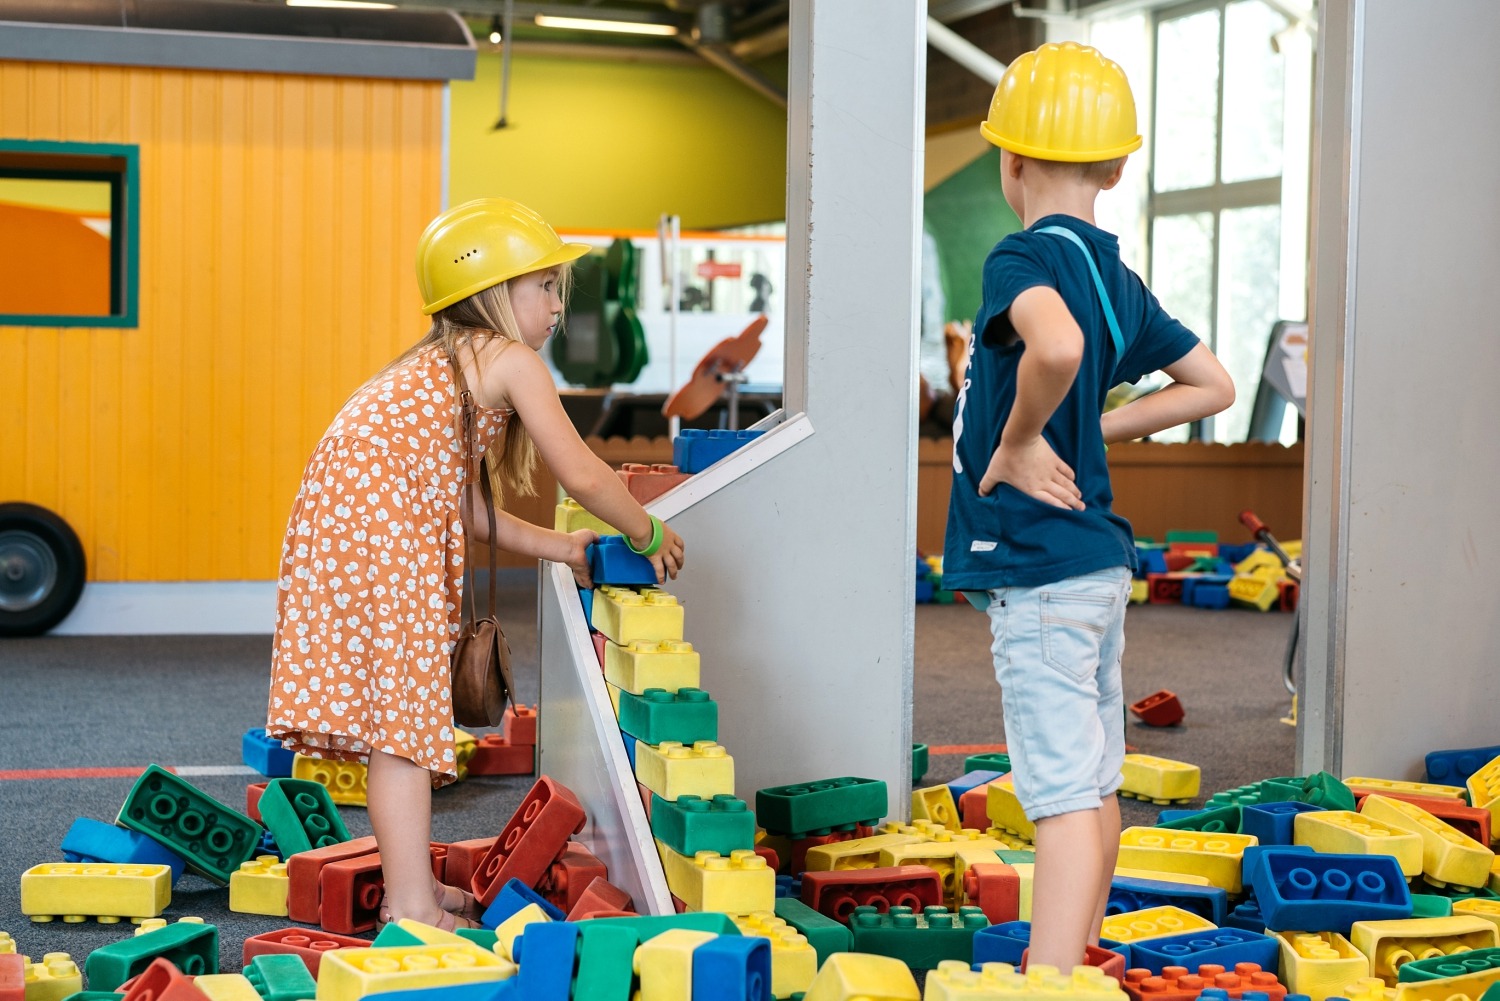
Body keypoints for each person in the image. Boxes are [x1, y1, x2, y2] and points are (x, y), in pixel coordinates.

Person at [266, 198, 686, 930]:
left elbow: (462, 507)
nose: (557, 306)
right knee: (402, 725)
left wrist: (563, 547)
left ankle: (412, 890)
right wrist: (647, 530)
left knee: (395, 719)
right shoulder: (508, 358)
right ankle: (411, 905)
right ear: (492, 293)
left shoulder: (442, 364)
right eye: (544, 287)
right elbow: (583, 473)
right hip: (379, 532)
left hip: (346, 526)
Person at [941, 43, 1235, 970]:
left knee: (1061, 795)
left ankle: (1051, 982)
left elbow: (1056, 349)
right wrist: (1109, 427)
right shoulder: (1118, 278)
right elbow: (1213, 385)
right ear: (1114, 168)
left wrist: (1023, 437)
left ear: (1010, 161)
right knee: (1096, 783)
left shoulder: (1020, 256)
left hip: (1040, 569)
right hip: (1098, 567)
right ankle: (1087, 954)